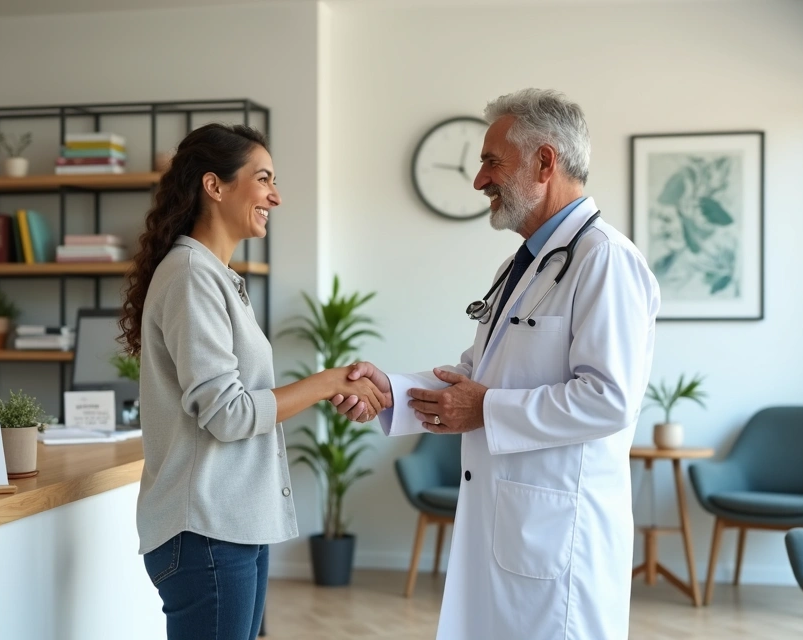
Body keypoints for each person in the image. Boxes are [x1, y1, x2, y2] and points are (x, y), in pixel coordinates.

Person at [330, 89, 660, 640]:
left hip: (557, 534)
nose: (479, 180)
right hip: (507, 520)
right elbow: (476, 376)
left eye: (490, 161)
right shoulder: (521, 265)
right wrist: (392, 391)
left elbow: (611, 398)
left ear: (545, 162)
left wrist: (487, 409)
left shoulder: (604, 258)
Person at [119, 123, 389, 640]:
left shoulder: (213, 276)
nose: (276, 196)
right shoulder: (192, 275)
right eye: (263, 178)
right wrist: (327, 381)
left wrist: (329, 384)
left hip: (230, 528)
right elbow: (229, 414)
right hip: (205, 532)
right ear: (214, 185)